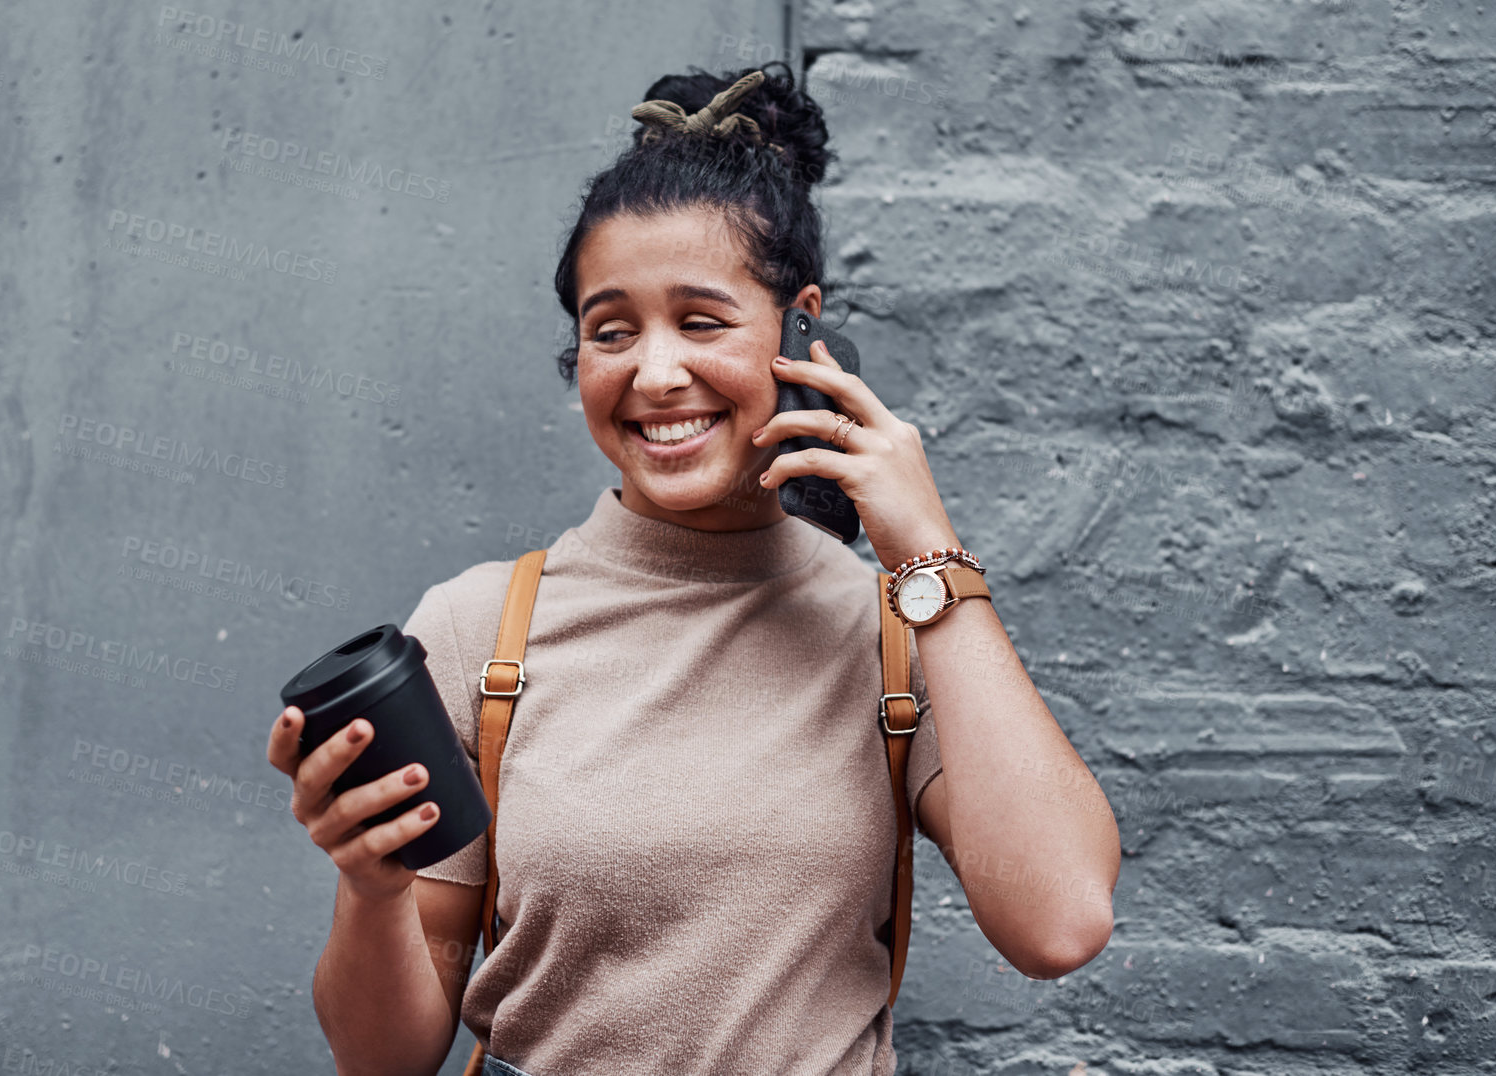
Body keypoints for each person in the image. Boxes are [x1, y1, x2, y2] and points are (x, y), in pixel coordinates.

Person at [265, 61, 1120, 1076]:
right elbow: (385, 1057)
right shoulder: (477, 630)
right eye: (610, 329)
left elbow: (1059, 921)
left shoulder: (891, 628)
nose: (654, 372)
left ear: (801, 326)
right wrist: (370, 887)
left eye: (702, 320)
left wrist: (928, 554)